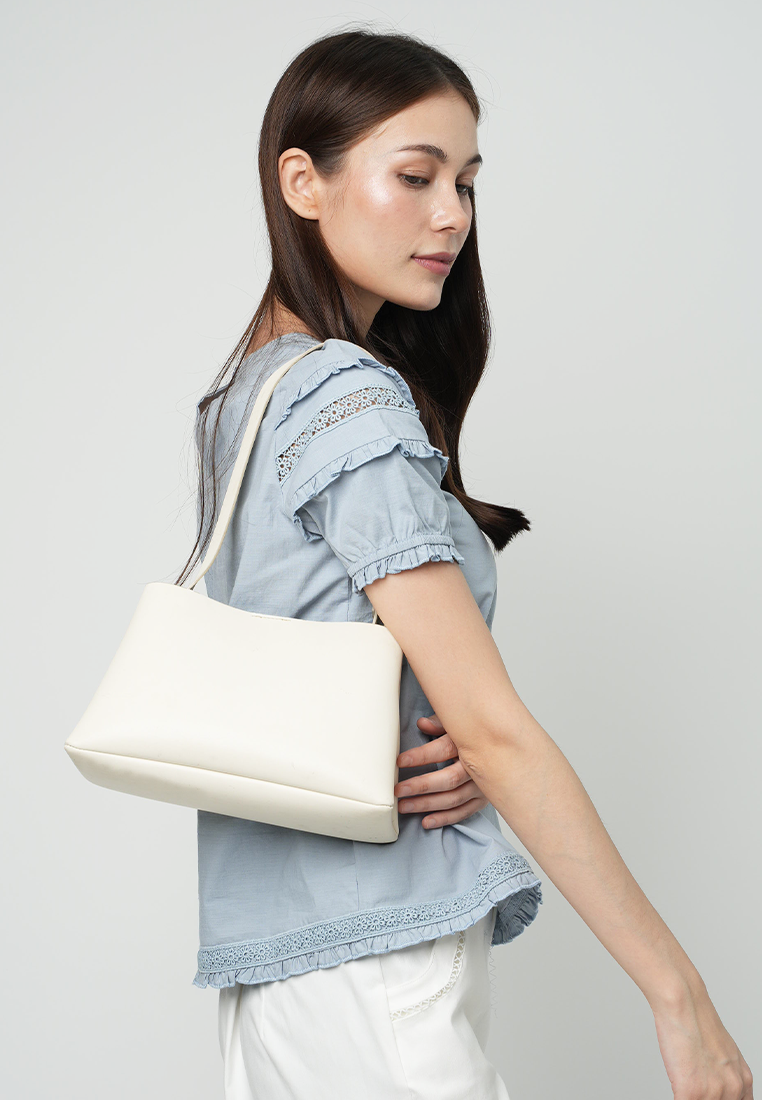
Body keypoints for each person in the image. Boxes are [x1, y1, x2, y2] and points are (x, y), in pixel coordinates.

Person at [177, 25, 753, 1100]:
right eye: (416, 176)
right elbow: (491, 729)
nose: (453, 214)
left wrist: (403, 730)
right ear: (302, 182)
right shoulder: (342, 395)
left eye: (467, 183)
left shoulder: (245, 395)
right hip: (378, 972)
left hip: (278, 978)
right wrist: (682, 997)